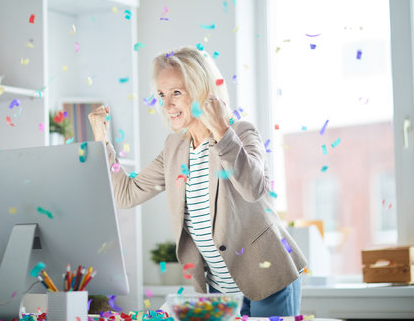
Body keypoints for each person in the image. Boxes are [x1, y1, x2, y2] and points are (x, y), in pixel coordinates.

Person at [88, 46, 307, 317]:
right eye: (161, 94)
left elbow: (253, 189)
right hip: (219, 290)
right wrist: (102, 140)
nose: (167, 105)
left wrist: (221, 130)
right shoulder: (174, 148)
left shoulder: (240, 131)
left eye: (176, 93)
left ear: (202, 90)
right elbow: (126, 194)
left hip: (268, 278)